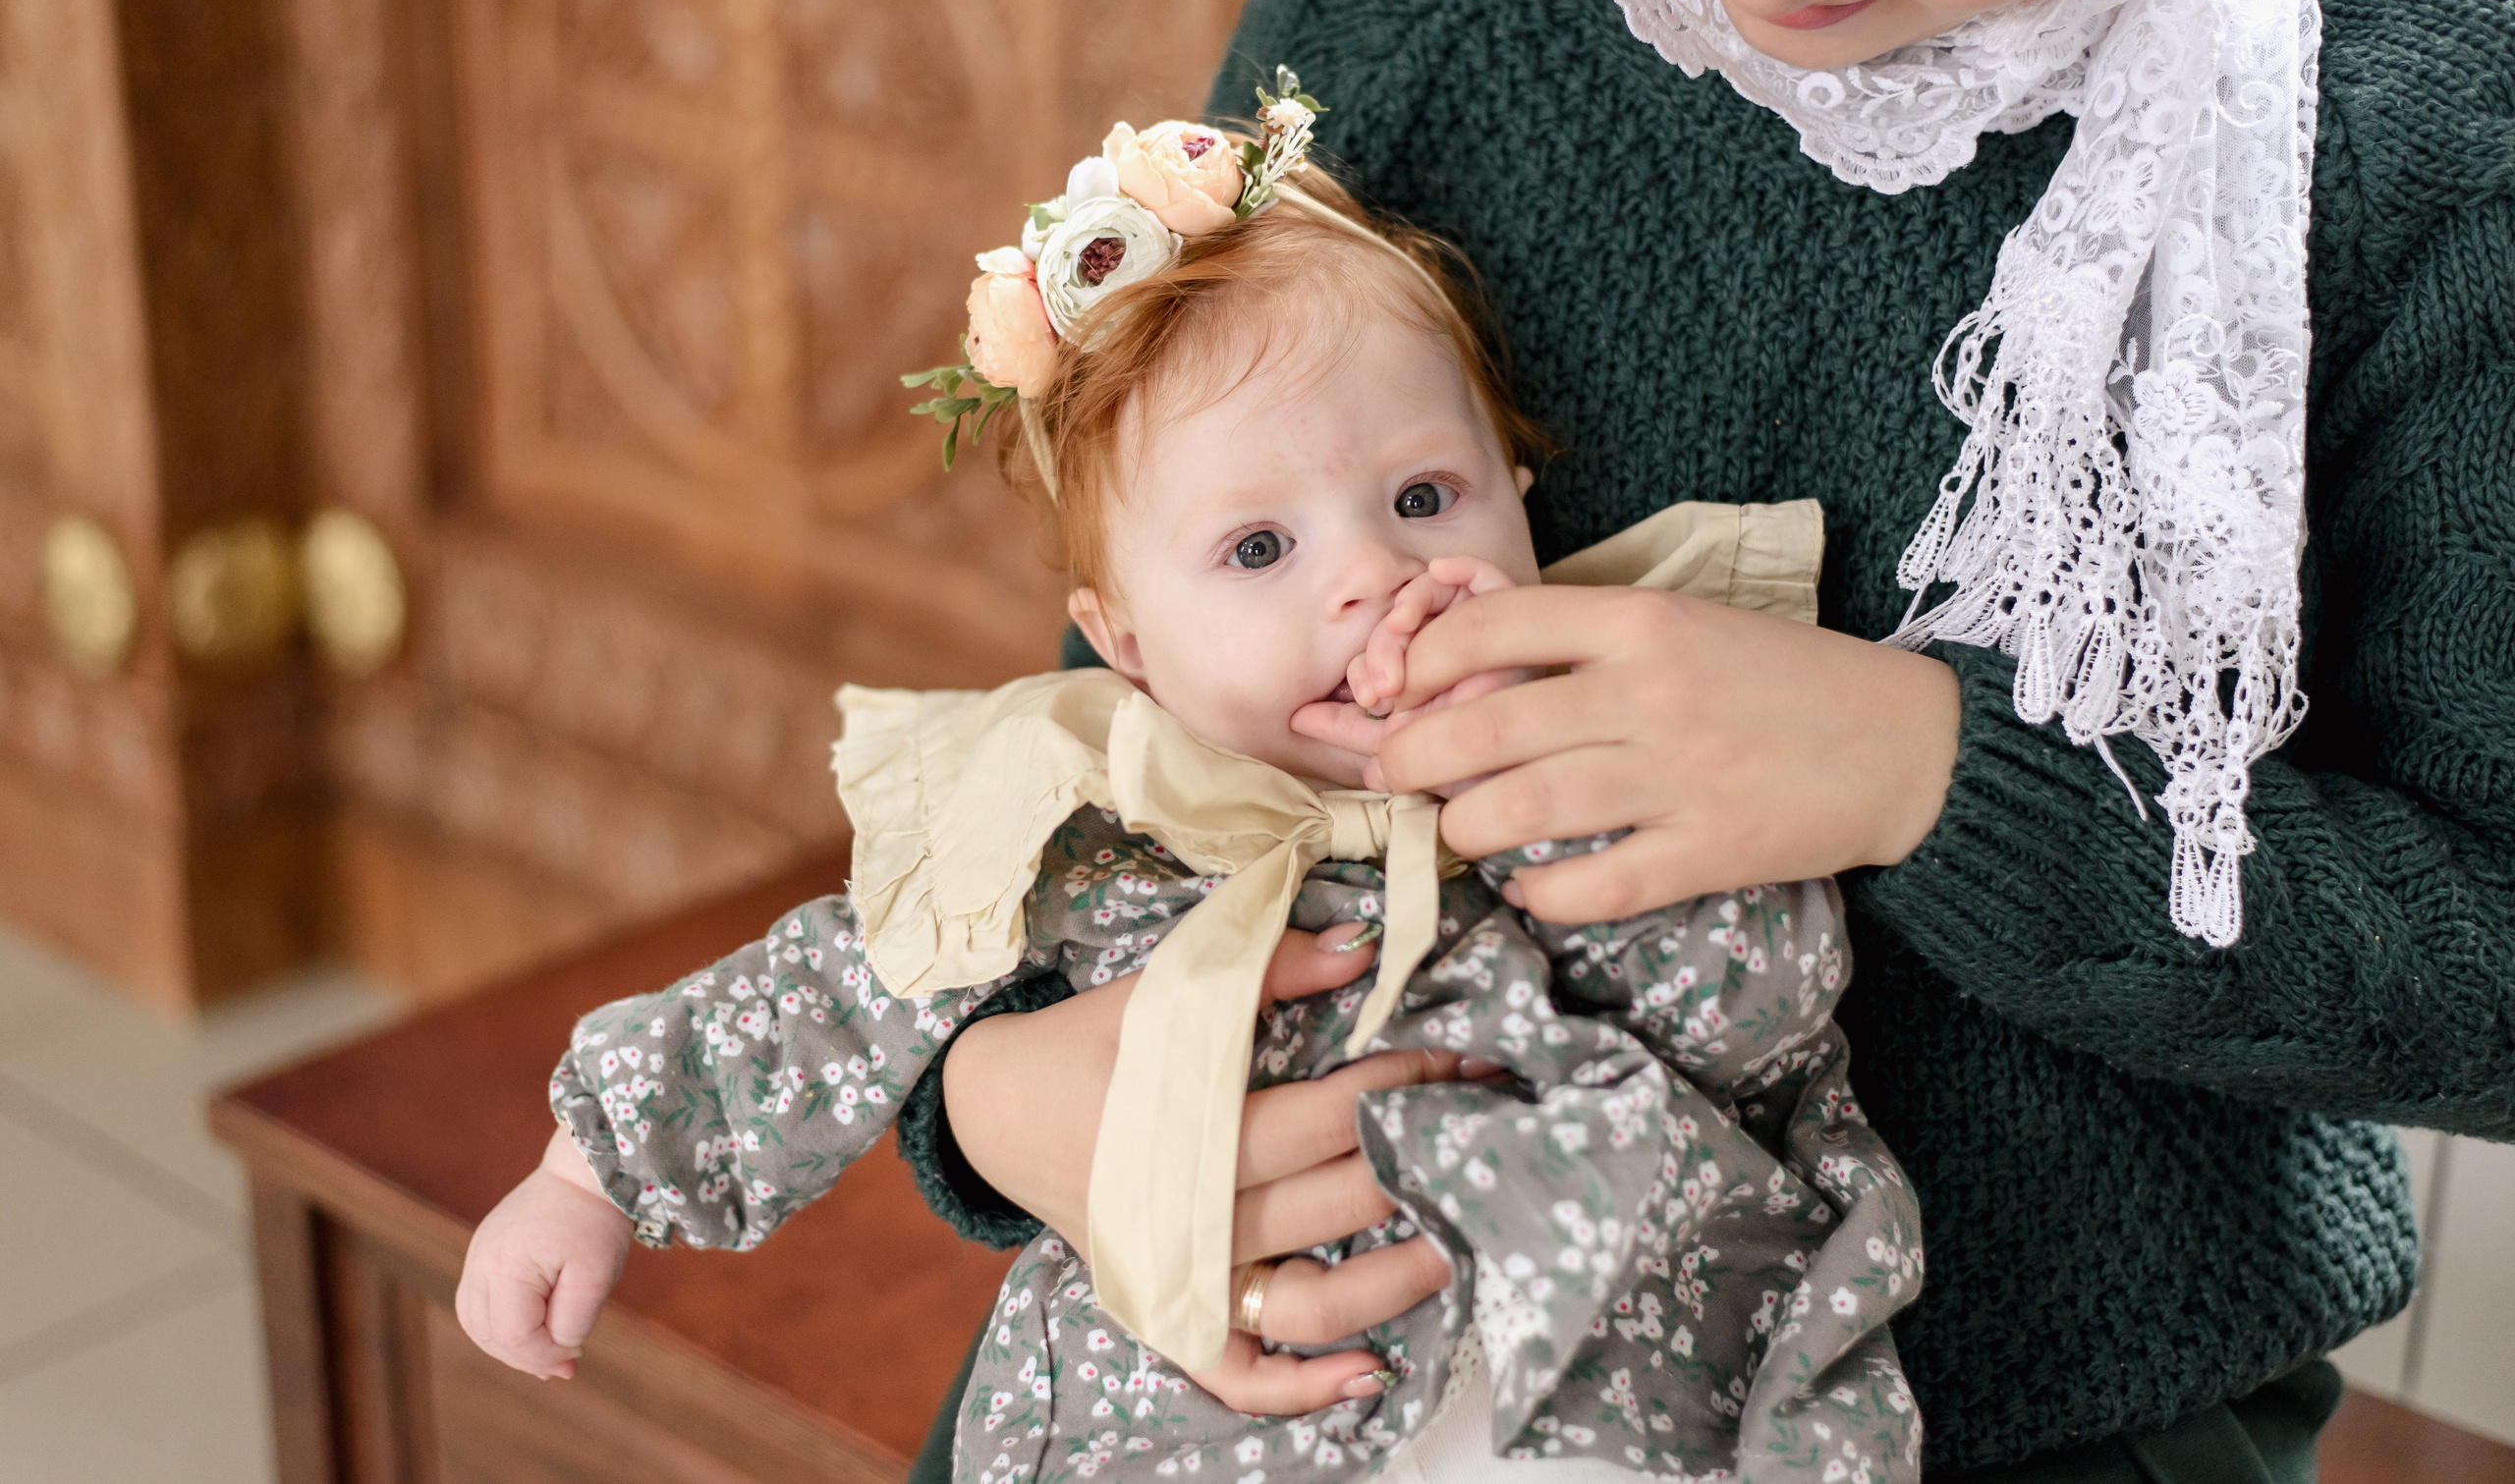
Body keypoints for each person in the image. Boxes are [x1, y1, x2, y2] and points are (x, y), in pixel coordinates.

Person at [902, 0, 2515, 1480]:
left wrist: (1933, 777)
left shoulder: (2451, 89)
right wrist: (998, 1089)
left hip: (2017, 1417)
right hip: (1218, 1369)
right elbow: (1135, 704)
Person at [454, 112, 1928, 1483]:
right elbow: (827, 990)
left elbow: (1761, 1016)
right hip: (1220, 1421)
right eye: (1259, 548)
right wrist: (586, 1171)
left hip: (1595, 1389)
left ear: (1519, 491)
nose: (1371, 573)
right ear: (1127, 639)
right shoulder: (1098, 816)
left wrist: (1544, 794)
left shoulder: (1606, 739)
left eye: (1424, 498)